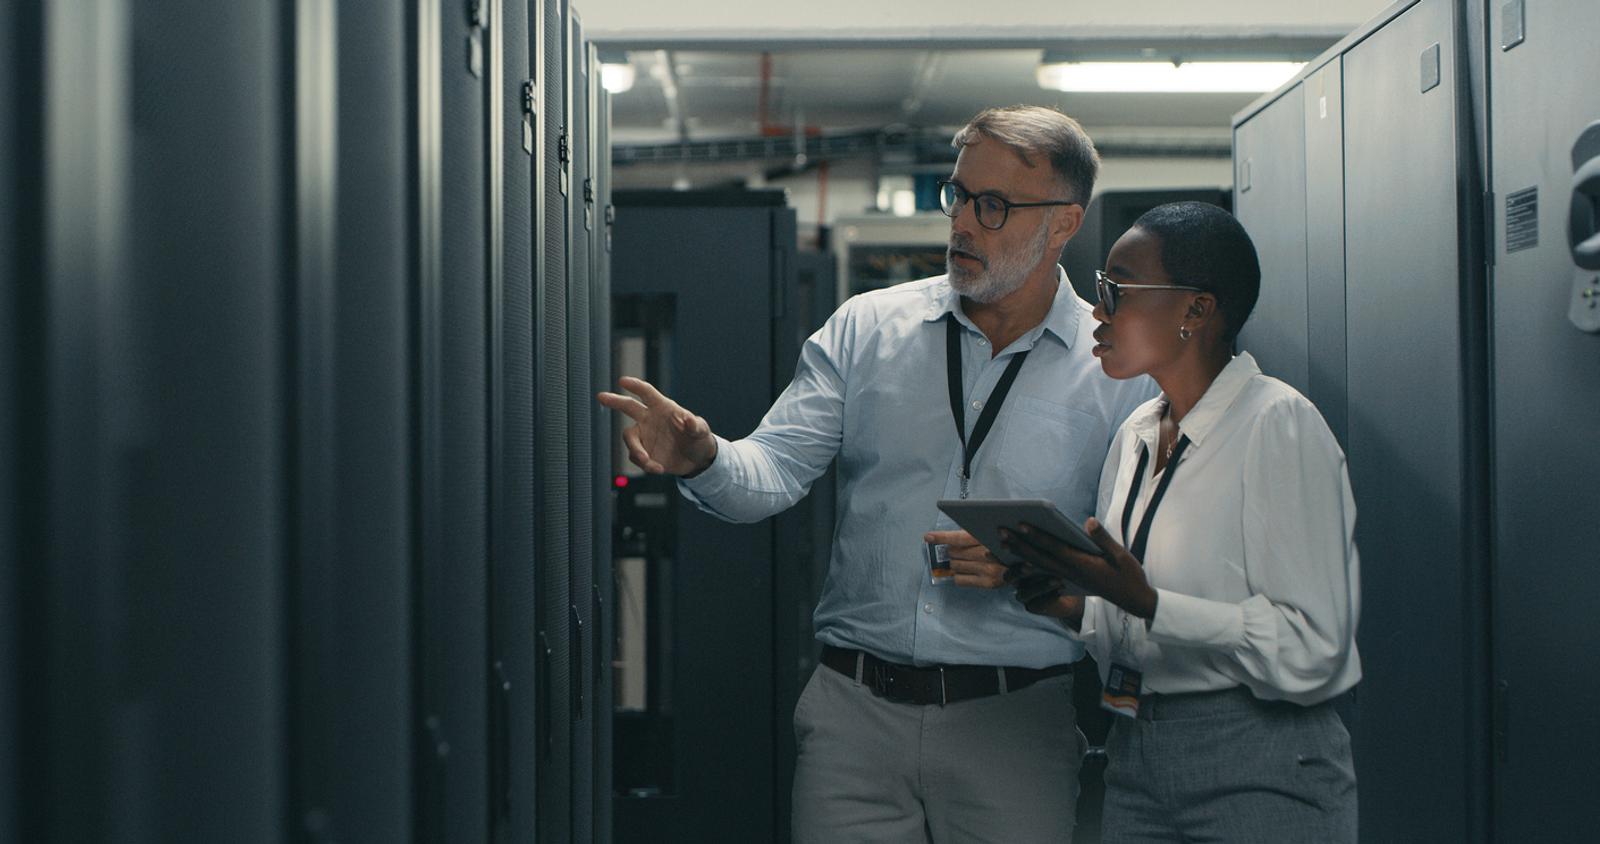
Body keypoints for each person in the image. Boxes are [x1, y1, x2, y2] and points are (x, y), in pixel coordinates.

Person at [597, 105, 1155, 843]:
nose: (963, 224)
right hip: (855, 717)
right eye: (957, 196)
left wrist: (1034, 567)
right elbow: (772, 472)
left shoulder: (1116, 371)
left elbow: (1138, 565)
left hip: (1016, 722)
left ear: (1063, 224)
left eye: (994, 207)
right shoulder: (868, 328)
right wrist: (706, 457)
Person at [1001, 201, 1361, 841]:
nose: (1098, 312)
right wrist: (1076, 607)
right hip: (1138, 751)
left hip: (1258, 758)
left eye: (1118, 290)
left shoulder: (1277, 423)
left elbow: (1314, 647)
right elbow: (1133, 621)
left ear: (1197, 310)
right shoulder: (1136, 434)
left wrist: (1148, 602)